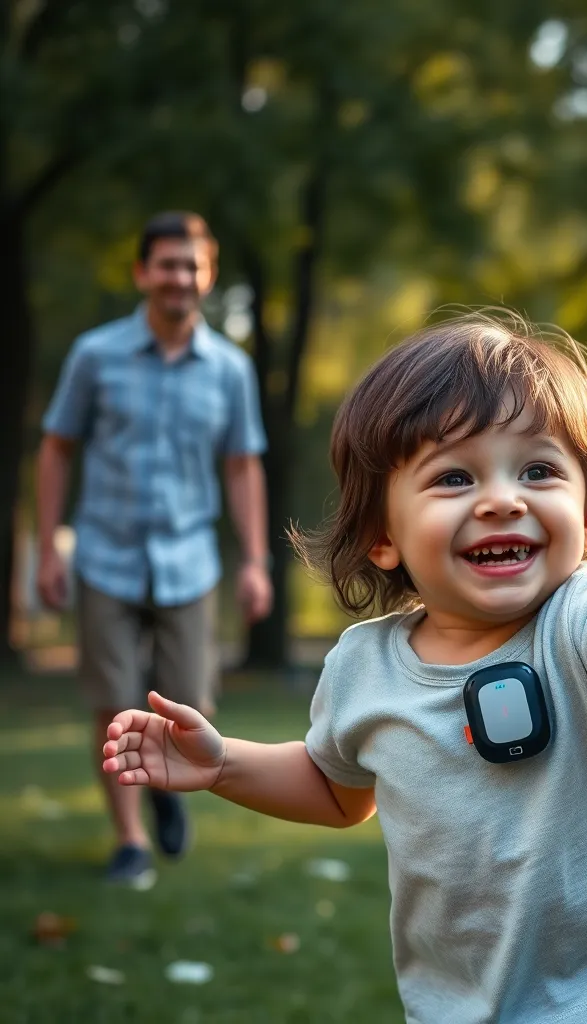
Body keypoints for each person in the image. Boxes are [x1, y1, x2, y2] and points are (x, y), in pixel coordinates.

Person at [100, 312, 587, 1024]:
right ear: (382, 536)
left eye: (538, 470)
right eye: (455, 477)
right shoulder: (364, 665)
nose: (501, 498)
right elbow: (339, 791)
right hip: (458, 1003)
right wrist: (222, 765)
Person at [36, 211, 273, 889]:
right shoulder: (95, 355)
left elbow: (241, 467)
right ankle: (130, 840)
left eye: (190, 266)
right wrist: (52, 548)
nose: (179, 278)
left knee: (190, 701)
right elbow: (56, 449)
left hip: (189, 558)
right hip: (105, 555)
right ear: (143, 273)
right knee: (112, 704)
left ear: (209, 275)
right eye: (166, 264)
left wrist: (255, 561)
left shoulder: (231, 369)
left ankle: (168, 788)